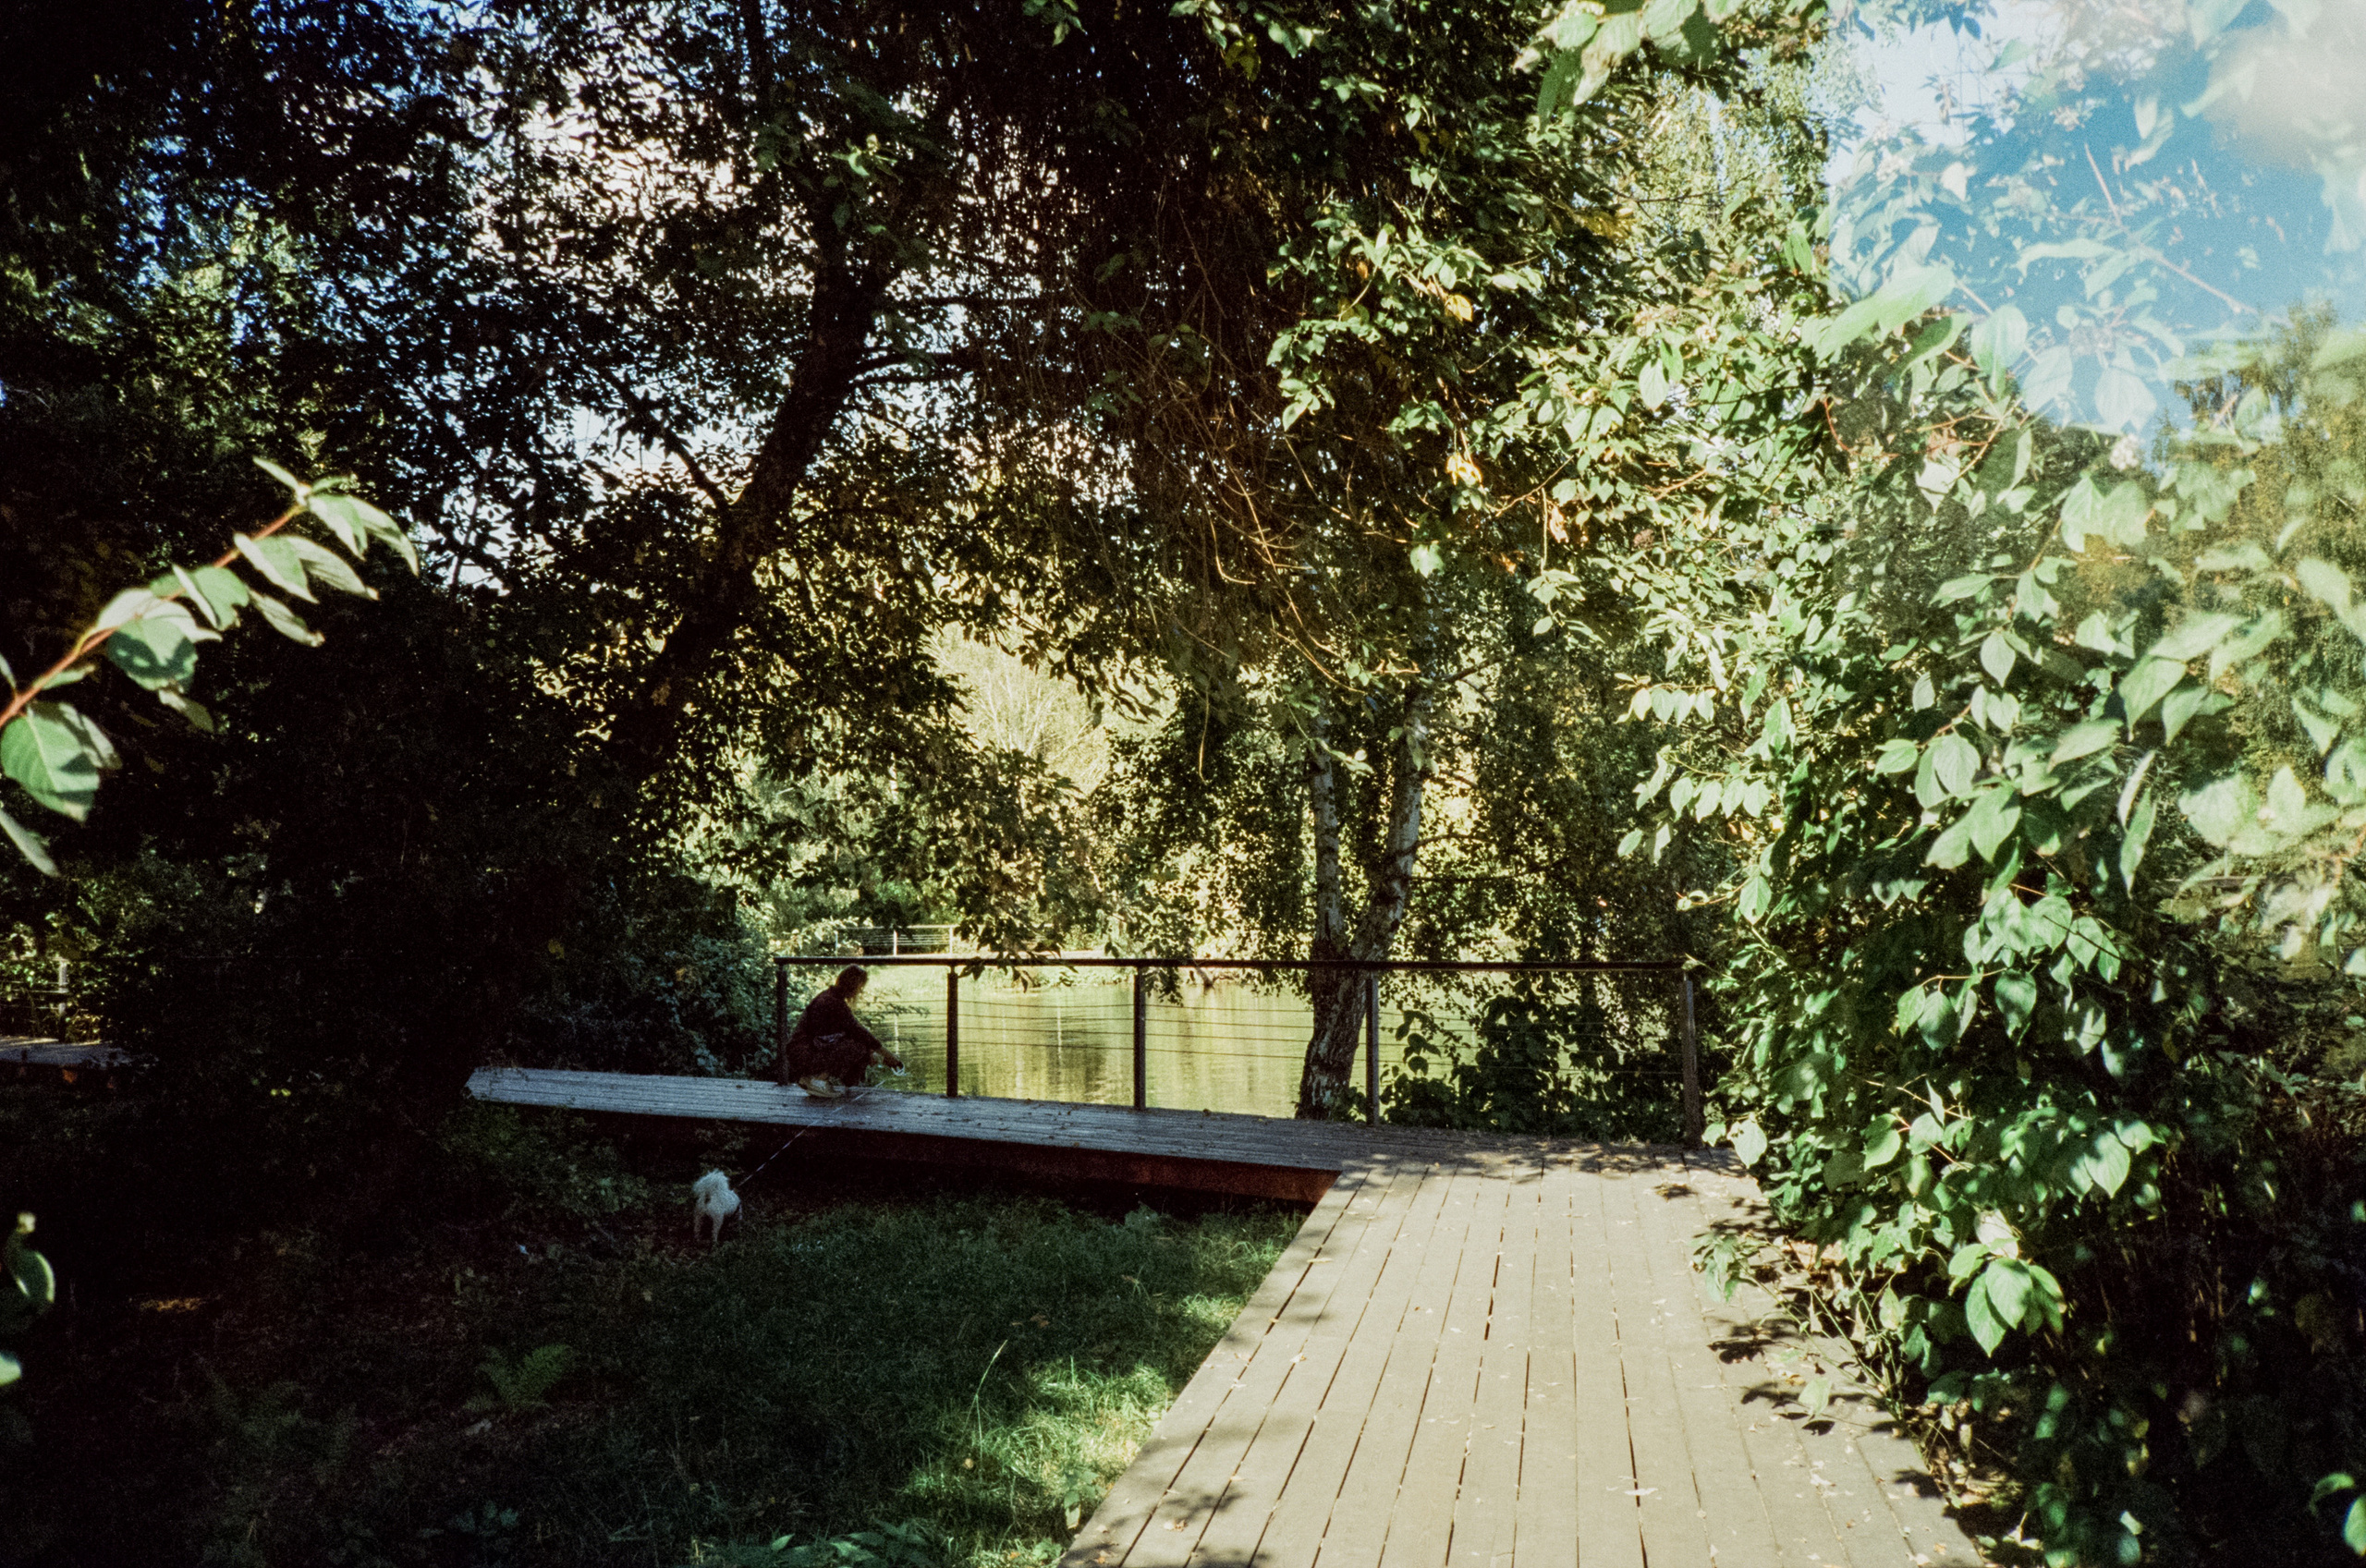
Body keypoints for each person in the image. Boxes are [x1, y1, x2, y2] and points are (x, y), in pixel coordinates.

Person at [781, 965, 903, 1098]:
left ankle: (816, 1079)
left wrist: (875, 1055)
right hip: (803, 1054)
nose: (860, 992)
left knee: (862, 1047)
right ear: (854, 986)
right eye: (860, 988)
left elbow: (848, 1034)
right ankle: (818, 1080)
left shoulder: (830, 997)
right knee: (858, 1047)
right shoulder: (833, 1003)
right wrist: (888, 1055)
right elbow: (860, 1033)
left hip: (804, 1051)